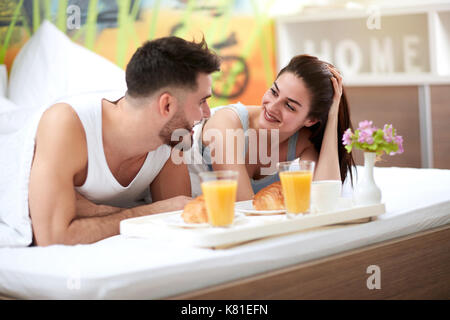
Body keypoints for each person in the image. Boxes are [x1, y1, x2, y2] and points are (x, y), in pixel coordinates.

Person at [28, 36, 221, 246]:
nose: (207, 114)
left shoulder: (174, 137)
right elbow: (53, 239)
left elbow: (175, 217)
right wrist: (149, 211)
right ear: (166, 105)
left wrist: (95, 210)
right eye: (202, 101)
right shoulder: (67, 124)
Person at [153, 54, 356, 201]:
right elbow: (243, 205)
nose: (272, 107)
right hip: (168, 207)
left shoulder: (302, 142)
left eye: (289, 106)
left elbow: (326, 198)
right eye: (274, 92)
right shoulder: (227, 124)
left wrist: (332, 117)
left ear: (310, 120)